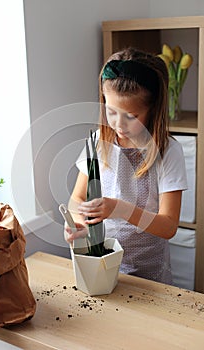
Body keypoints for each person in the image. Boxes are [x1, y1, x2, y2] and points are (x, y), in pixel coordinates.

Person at [65, 47, 187, 284]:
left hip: (149, 274)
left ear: (153, 109)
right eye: (111, 111)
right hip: (101, 265)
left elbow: (169, 225)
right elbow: (77, 199)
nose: (118, 124)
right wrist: (76, 222)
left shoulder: (168, 152)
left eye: (130, 116)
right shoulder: (99, 141)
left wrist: (120, 209)